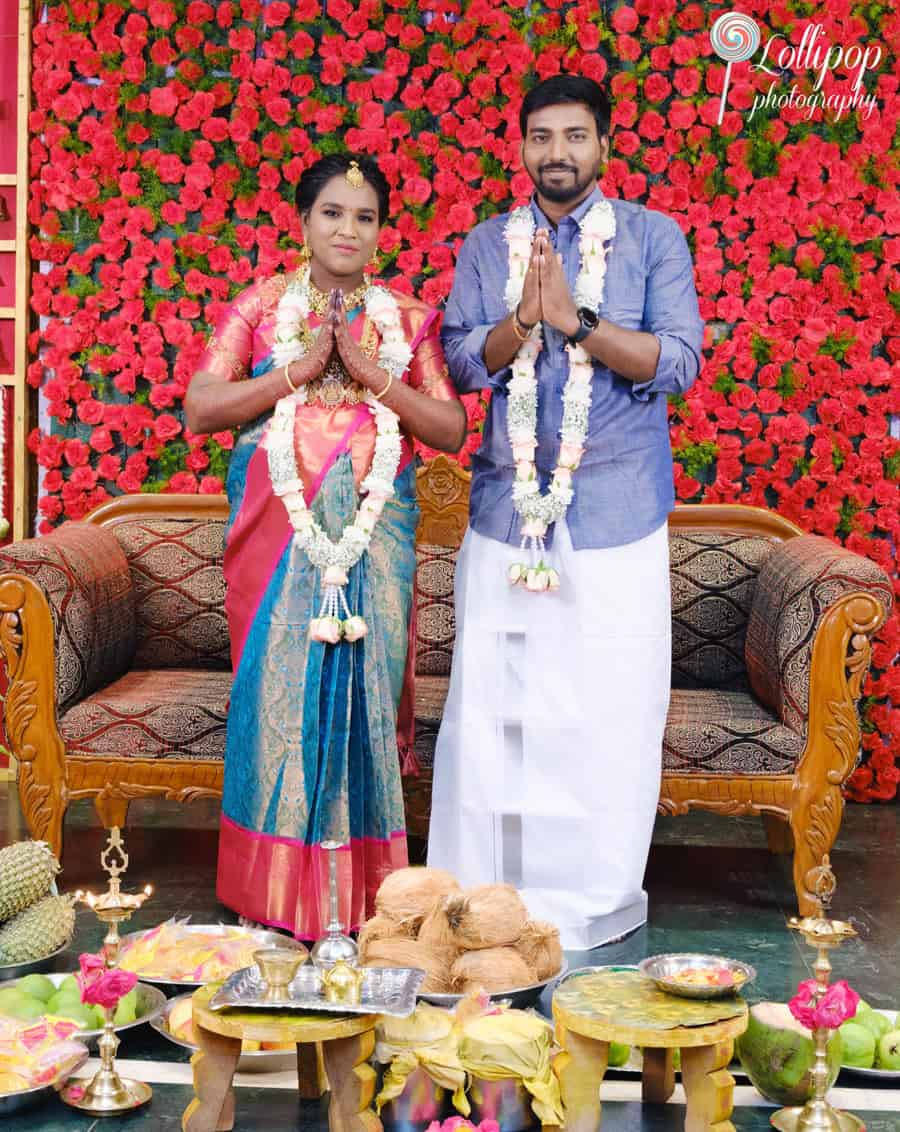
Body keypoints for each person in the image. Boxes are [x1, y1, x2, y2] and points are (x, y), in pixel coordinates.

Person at [427, 75, 704, 950]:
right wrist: (522, 322)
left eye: (575, 136)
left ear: (604, 145)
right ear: (520, 147)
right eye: (541, 137)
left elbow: (678, 361)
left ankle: (588, 902)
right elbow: (464, 363)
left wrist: (576, 323)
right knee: (497, 709)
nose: (558, 153)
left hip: (617, 508)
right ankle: (486, 901)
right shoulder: (486, 244)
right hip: (507, 510)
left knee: (606, 708)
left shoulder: (654, 239)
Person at [186, 154, 466, 939]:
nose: (349, 229)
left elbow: (449, 429)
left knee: (365, 700)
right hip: (276, 546)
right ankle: (272, 896)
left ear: (382, 229)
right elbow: (202, 408)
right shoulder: (261, 306)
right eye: (333, 213)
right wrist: (300, 372)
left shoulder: (409, 320)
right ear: (303, 221)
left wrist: (376, 377)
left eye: (366, 216)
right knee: (278, 709)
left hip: (375, 548)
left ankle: (370, 900)